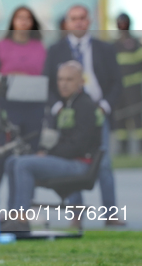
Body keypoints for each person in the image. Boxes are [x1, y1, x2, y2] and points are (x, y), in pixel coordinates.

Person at [43, 5, 122, 224]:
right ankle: (75, 215)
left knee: (104, 162)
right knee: (72, 159)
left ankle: (111, 214)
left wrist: (105, 106)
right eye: (73, 18)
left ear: (89, 21)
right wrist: (58, 107)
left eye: (82, 18)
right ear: (66, 23)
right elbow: (47, 84)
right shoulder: (55, 50)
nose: (78, 22)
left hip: (97, 111)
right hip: (68, 113)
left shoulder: (104, 49)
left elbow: (117, 82)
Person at [5, 62, 102, 221]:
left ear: (81, 82)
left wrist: (48, 154)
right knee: (12, 161)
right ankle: (13, 213)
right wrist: (44, 152)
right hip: (65, 159)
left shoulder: (85, 106)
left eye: (69, 79)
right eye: (60, 79)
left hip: (79, 164)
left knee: (24, 164)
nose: (63, 84)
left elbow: (78, 145)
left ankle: (21, 217)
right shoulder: (68, 103)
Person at [0, 6, 46, 196]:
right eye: (19, 18)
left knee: (28, 157)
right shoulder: (1, 46)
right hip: (9, 107)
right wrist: (10, 76)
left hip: (34, 107)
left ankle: (22, 207)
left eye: (28, 19)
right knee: (3, 155)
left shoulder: (41, 48)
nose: (24, 22)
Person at [112, 13, 142, 154]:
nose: (122, 25)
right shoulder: (114, 45)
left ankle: (141, 147)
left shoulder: (136, 43)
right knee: (120, 118)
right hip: (119, 89)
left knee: (136, 117)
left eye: (124, 22)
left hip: (134, 88)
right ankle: (123, 148)